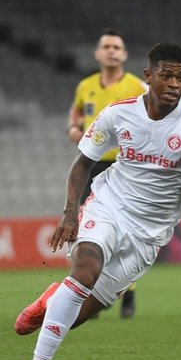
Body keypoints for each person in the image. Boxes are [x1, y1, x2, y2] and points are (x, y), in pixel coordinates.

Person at [15, 42, 181, 360]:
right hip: (109, 207)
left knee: (76, 314)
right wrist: (70, 213)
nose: (174, 84)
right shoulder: (118, 114)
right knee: (85, 270)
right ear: (148, 76)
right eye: (166, 75)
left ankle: (51, 300)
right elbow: (83, 163)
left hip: (149, 235)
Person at [66, 27, 147, 318]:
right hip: (91, 165)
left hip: (124, 168)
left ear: (124, 54)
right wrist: (73, 127)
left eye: (117, 47)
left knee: (125, 231)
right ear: (98, 53)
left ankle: (127, 292)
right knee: (89, 229)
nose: (112, 51)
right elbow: (76, 111)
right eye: (107, 47)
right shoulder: (85, 86)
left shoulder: (138, 87)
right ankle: (90, 290)